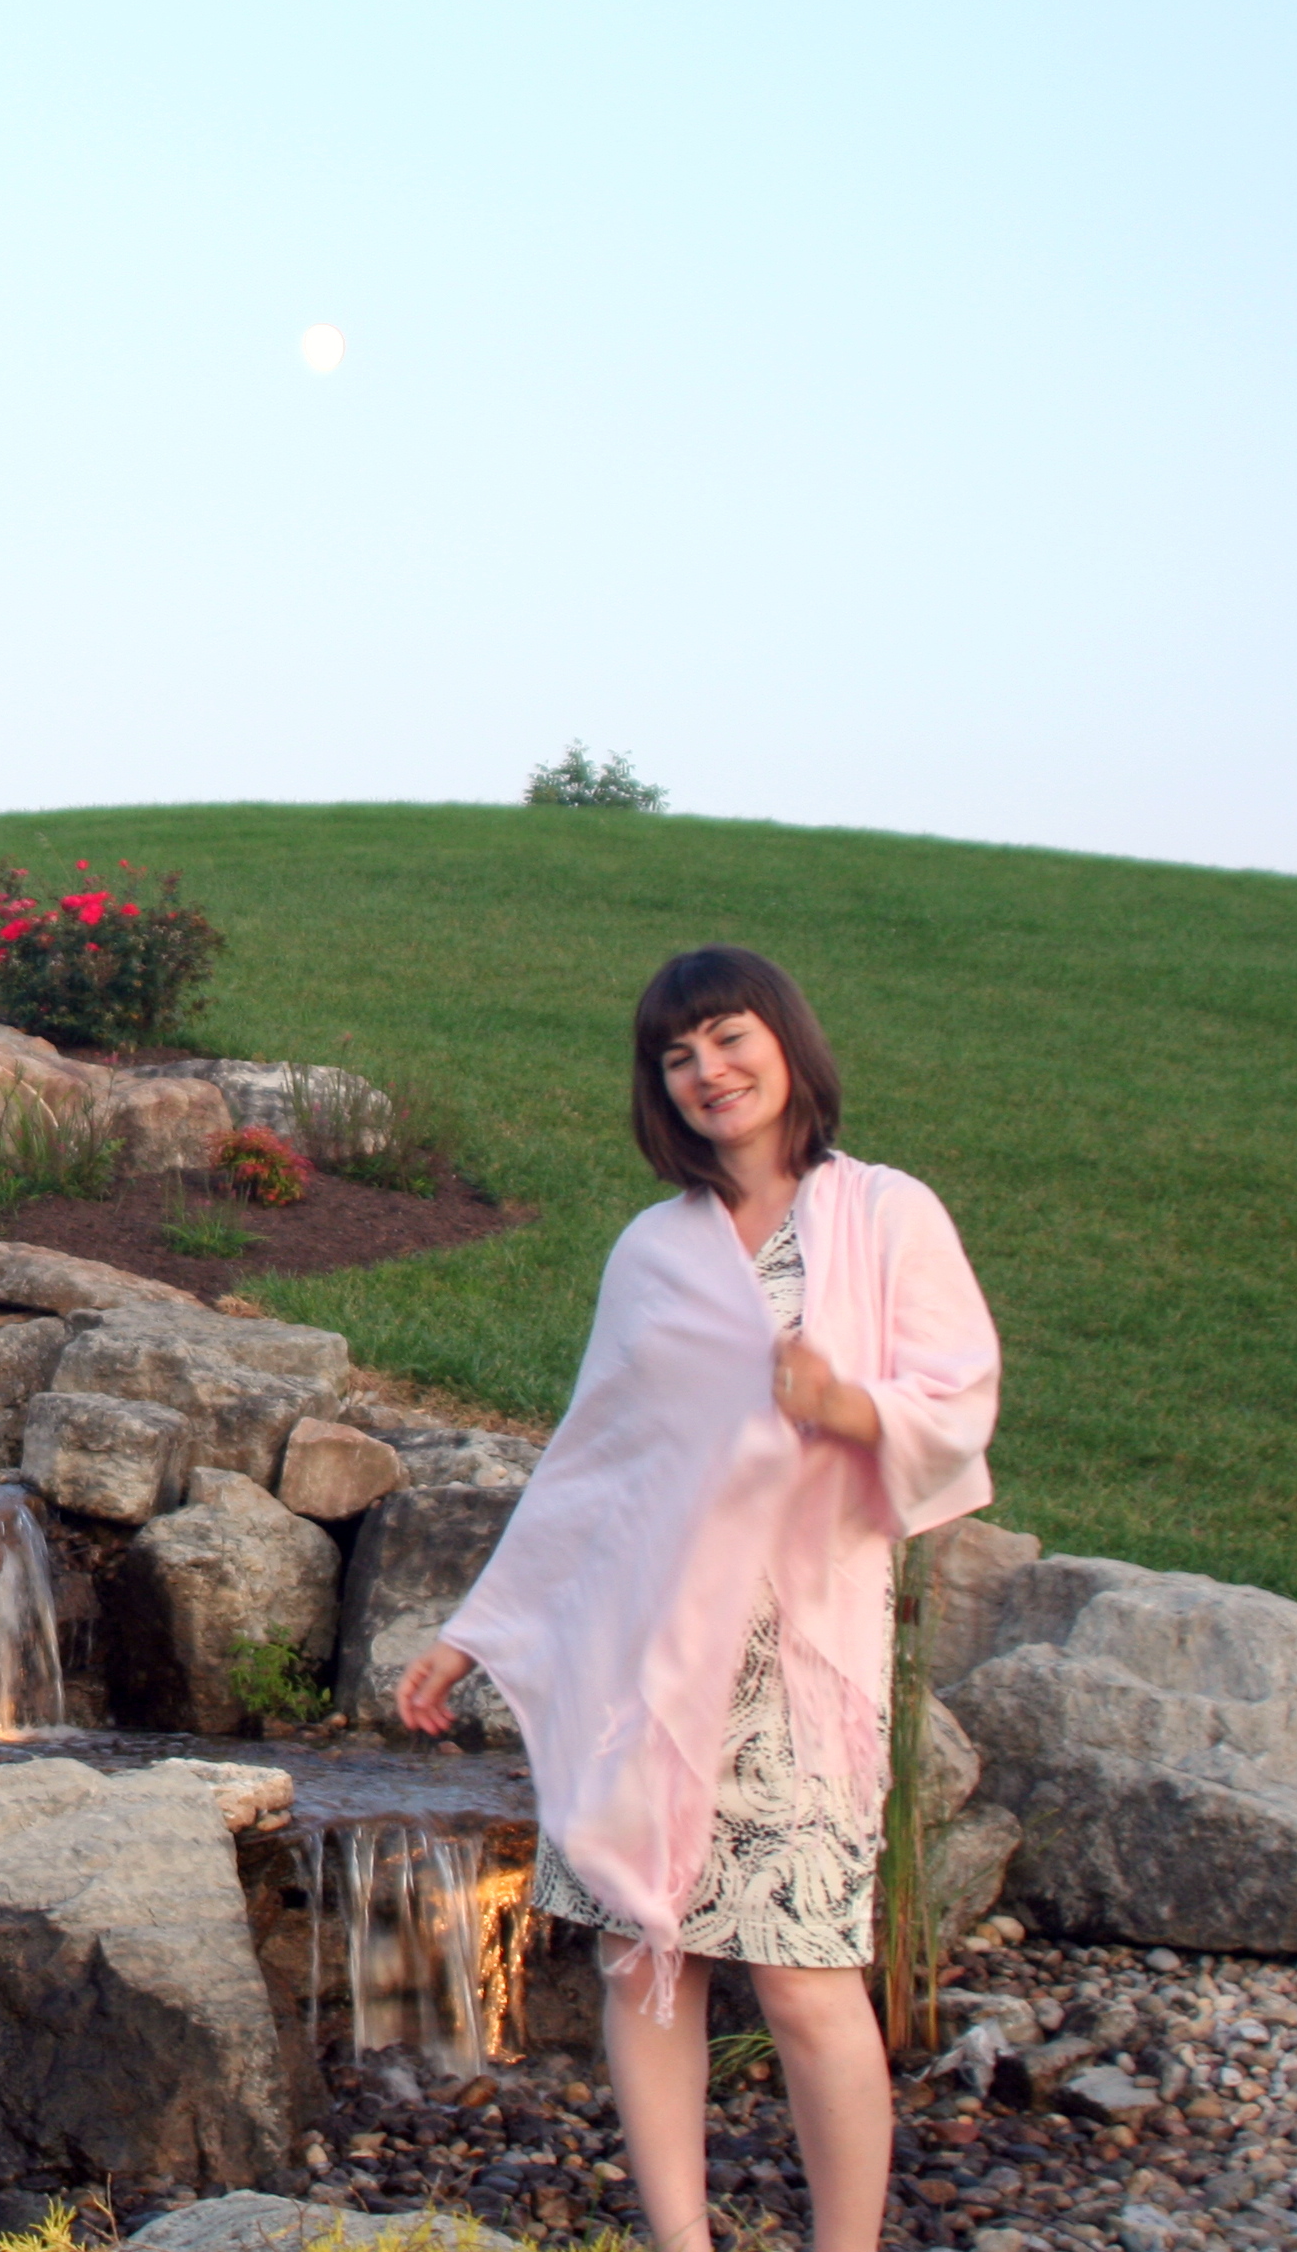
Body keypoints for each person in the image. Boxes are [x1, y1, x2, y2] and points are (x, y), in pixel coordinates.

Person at [392, 945, 1000, 2252]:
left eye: (727, 1039)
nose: (707, 1072)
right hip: (647, 1654)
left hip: (800, 1660)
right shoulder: (653, 1250)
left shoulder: (885, 1215)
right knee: (643, 1957)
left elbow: (961, 1400)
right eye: (676, 1056)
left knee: (805, 1983)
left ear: (785, 1044)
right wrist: (474, 1636)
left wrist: (848, 1405)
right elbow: (593, 1463)